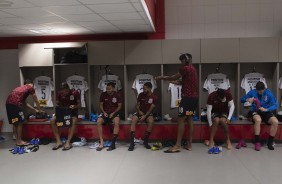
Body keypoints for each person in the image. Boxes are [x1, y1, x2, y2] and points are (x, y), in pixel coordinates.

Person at [156, 53, 198, 153]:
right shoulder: (193, 69)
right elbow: (183, 82)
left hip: (186, 99)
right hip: (194, 99)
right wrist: (172, 82)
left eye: (182, 60)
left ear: (185, 60)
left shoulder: (185, 68)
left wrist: (162, 77)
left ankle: (177, 145)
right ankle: (189, 144)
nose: (181, 63)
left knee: (181, 120)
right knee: (190, 119)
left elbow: (173, 77)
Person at [241, 81, 278, 151]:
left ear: (264, 89)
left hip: (265, 111)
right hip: (254, 111)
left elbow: (275, 105)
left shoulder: (268, 93)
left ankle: (270, 143)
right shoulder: (253, 92)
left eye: (262, 91)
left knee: (275, 121)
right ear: (256, 89)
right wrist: (248, 99)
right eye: (259, 91)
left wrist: (267, 109)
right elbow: (241, 100)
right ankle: (257, 142)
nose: (260, 93)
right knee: (258, 120)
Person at [6, 79, 42, 146]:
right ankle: (20, 141)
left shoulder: (20, 89)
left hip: (8, 104)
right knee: (20, 122)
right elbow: (36, 100)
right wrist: (40, 110)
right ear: (31, 84)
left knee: (15, 123)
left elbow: (25, 103)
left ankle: (17, 141)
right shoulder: (30, 87)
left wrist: (35, 110)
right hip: (16, 105)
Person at [50, 82, 80, 151]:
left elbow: (79, 105)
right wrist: (57, 103)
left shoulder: (75, 93)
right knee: (52, 121)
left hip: (72, 112)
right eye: (63, 92)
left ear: (68, 88)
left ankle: (68, 142)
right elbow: (57, 103)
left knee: (73, 121)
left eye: (66, 91)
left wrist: (74, 106)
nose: (64, 93)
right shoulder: (59, 93)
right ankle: (58, 141)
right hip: (62, 112)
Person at [128, 82, 158, 151]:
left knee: (151, 121)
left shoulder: (154, 97)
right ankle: (132, 143)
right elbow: (137, 105)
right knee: (133, 119)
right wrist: (139, 111)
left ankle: (146, 141)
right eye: (143, 89)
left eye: (145, 89)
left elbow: (151, 109)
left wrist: (144, 116)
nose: (143, 90)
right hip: (140, 112)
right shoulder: (141, 95)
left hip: (148, 113)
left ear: (150, 88)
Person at [206, 89, 235, 153]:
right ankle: (211, 140)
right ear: (218, 96)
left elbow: (232, 106)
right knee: (216, 120)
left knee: (223, 121)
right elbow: (209, 110)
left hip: (224, 111)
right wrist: (210, 124)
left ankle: (227, 140)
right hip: (215, 111)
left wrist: (229, 118)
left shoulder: (228, 94)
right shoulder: (211, 96)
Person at [96, 82, 122, 151]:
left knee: (116, 122)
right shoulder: (103, 94)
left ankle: (113, 144)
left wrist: (113, 113)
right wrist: (104, 112)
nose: (108, 90)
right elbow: (101, 104)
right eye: (107, 89)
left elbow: (119, 106)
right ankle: (101, 142)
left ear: (113, 88)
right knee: (98, 121)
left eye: (109, 89)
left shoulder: (117, 95)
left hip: (114, 112)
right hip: (105, 112)